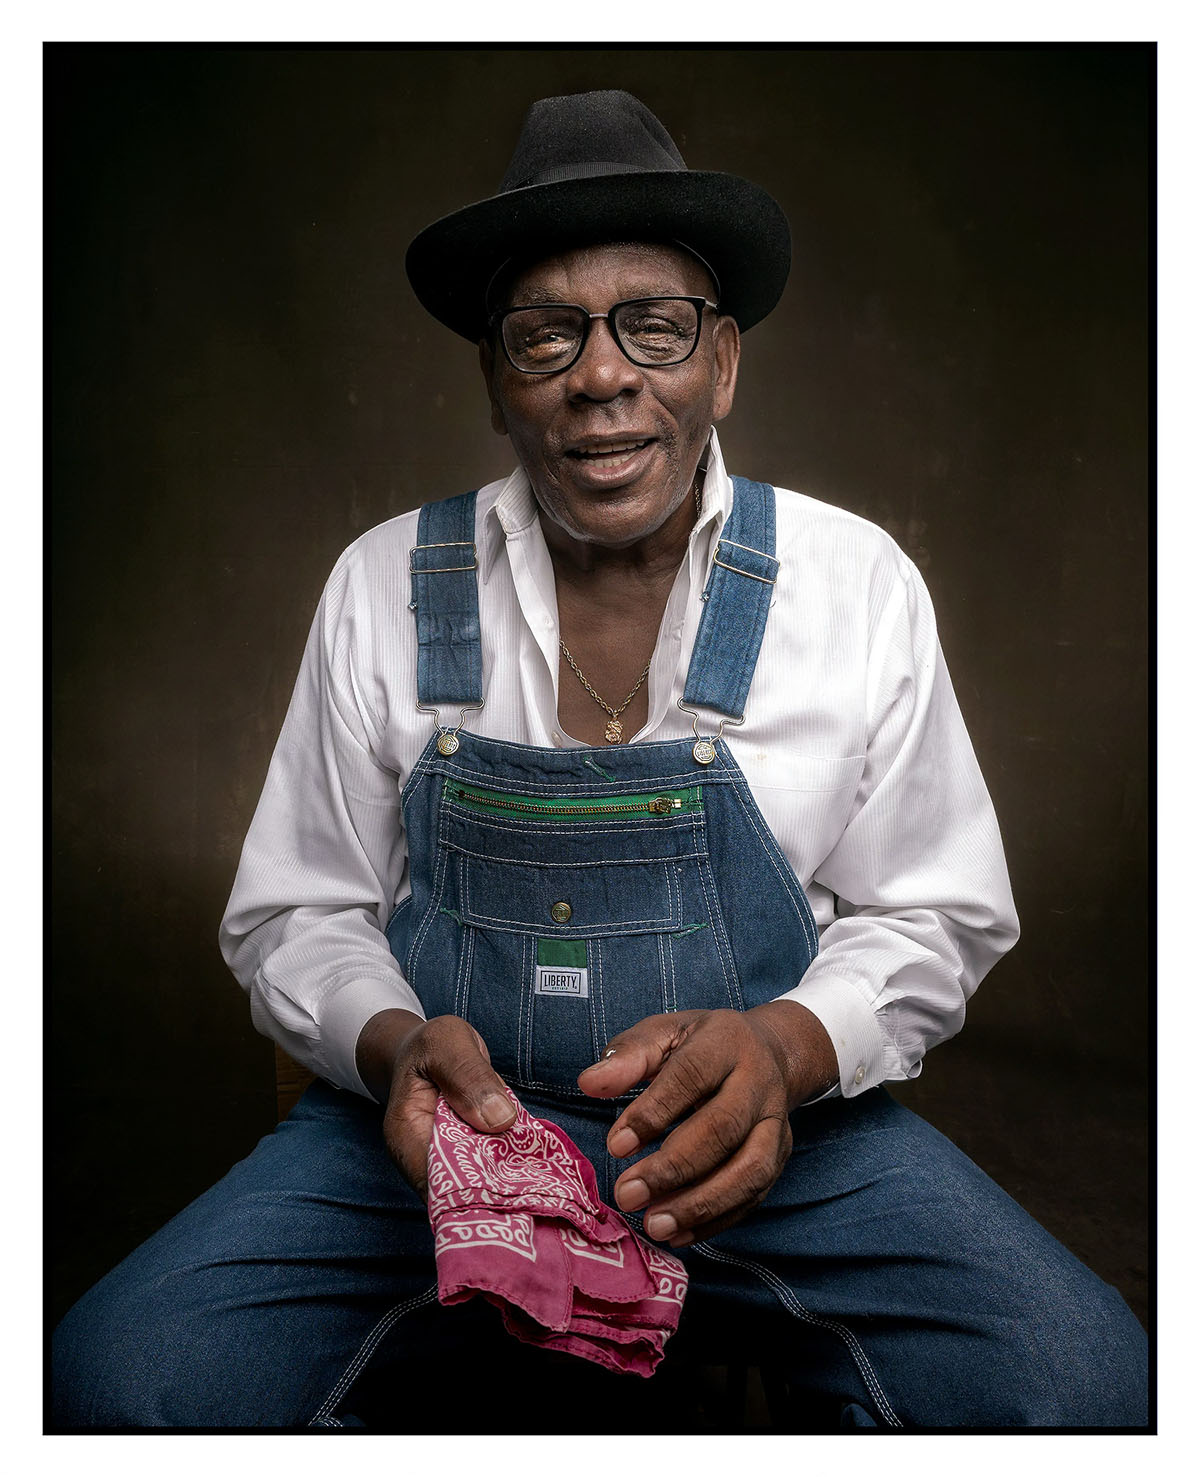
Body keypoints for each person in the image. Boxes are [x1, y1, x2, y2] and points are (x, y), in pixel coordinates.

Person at [52, 88, 1147, 1430]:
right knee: (119, 1375)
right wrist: (395, 1049)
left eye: (656, 324)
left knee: (1082, 1384)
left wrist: (791, 1045)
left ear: (723, 363)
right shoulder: (385, 581)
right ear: (496, 377)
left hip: (775, 1152)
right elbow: (301, 908)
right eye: (546, 332)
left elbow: (936, 906)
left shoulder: (853, 584)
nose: (603, 373)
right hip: (437, 1154)